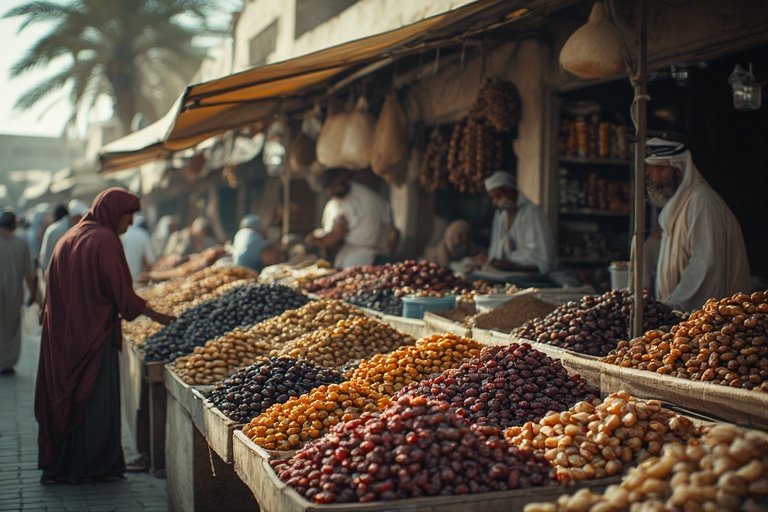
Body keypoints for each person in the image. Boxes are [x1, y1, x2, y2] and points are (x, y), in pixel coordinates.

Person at [34, 188, 175, 484]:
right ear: (115, 212)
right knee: (93, 398)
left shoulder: (69, 237)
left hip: (63, 337)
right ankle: (92, 465)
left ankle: (64, 464)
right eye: (129, 215)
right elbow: (123, 296)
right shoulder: (105, 240)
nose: (129, 223)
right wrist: (160, 316)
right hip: (93, 338)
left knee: (67, 396)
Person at [643, 136, 751, 312]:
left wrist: (673, 305)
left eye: (660, 169)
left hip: (710, 324)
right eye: (650, 169)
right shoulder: (683, 205)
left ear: (678, 172)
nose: (650, 175)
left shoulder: (702, 202)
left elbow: (705, 265)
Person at [305, 168, 396, 269]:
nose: (331, 191)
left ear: (344, 180)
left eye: (334, 187)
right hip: (351, 254)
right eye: (328, 190)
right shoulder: (335, 203)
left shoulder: (364, 198)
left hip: (365, 258)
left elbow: (334, 237)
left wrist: (317, 240)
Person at [481, 170, 557, 275]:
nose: (495, 202)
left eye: (497, 197)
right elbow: (496, 251)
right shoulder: (500, 215)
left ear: (508, 191)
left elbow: (542, 261)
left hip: (531, 276)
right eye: (493, 198)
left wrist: (512, 264)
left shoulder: (532, 212)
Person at [0, 210, 36, 375]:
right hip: (14, 293)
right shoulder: (21, 244)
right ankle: (7, 362)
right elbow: (29, 275)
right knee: (11, 328)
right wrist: (33, 295)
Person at [38, 199, 89, 287]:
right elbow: (46, 260)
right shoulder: (54, 232)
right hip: (58, 280)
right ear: (75, 217)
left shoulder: (81, 230)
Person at [121, 214, 156, 284]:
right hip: (138, 282)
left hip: (122, 282)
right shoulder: (143, 235)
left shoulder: (122, 235)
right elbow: (149, 261)